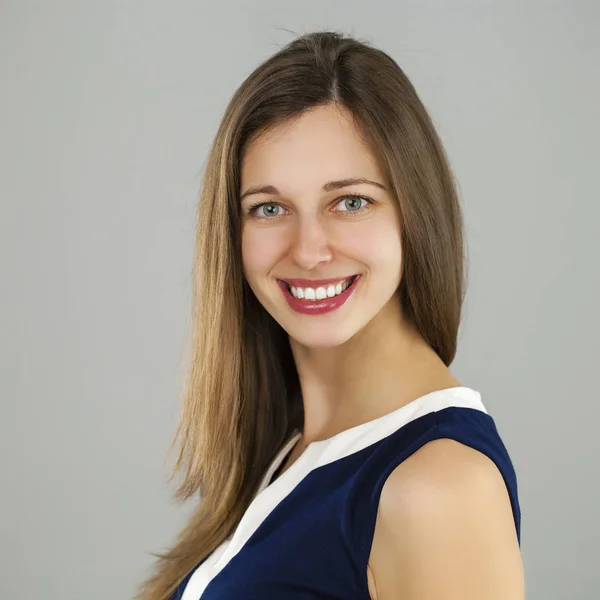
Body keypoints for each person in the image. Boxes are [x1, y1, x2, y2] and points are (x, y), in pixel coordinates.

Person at [135, 30, 524, 600]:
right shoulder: (288, 452)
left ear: (414, 212)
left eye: (351, 202)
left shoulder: (439, 485)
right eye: (269, 209)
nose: (309, 249)